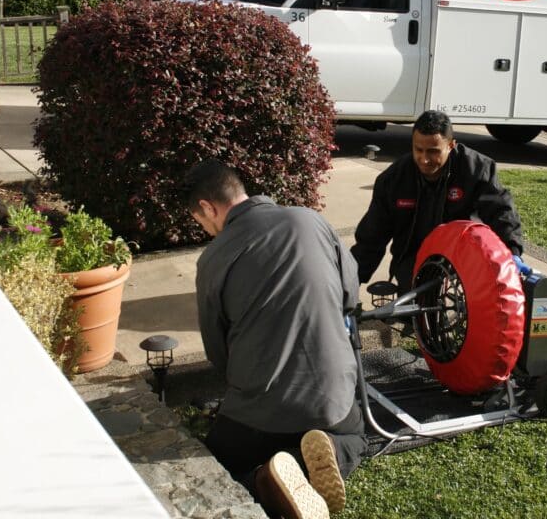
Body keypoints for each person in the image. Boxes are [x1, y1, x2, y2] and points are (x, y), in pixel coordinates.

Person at [183, 159, 366, 519]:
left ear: (208, 207)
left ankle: (267, 481)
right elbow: (350, 295)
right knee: (356, 438)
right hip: (333, 401)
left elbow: (218, 352)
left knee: (220, 463)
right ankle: (326, 451)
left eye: (201, 221)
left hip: (259, 413)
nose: (206, 230)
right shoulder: (312, 221)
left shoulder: (214, 258)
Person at [351, 110, 524, 293]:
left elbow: (501, 212)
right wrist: (349, 281)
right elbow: (371, 238)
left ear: (451, 145)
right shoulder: (393, 180)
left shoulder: (477, 170)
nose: (424, 159)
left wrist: (512, 252)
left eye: (433, 152)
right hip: (413, 257)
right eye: (418, 150)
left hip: (463, 256)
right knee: (410, 299)